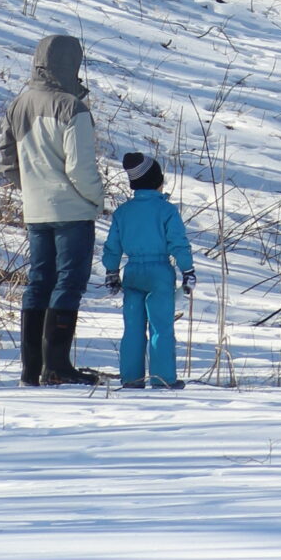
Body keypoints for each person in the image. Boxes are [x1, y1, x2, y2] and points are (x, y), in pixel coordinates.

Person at [0, 31, 105, 388]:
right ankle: (57, 365)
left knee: (38, 282)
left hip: (36, 209)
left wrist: (30, 189)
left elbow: (7, 161)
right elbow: (80, 168)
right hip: (72, 210)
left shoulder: (17, 105)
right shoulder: (73, 108)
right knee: (68, 283)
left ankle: (31, 369)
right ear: (71, 64)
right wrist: (96, 200)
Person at [103, 151, 197, 390]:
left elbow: (112, 246)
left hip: (132, 271)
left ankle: (131, 379)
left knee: (132, 328)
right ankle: (163, 379)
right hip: (159, 272)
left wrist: (112, 271)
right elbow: (178, 243)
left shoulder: (123, 212)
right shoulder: (166, 211)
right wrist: (188, 269)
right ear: (157, 181)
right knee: (161, 327)